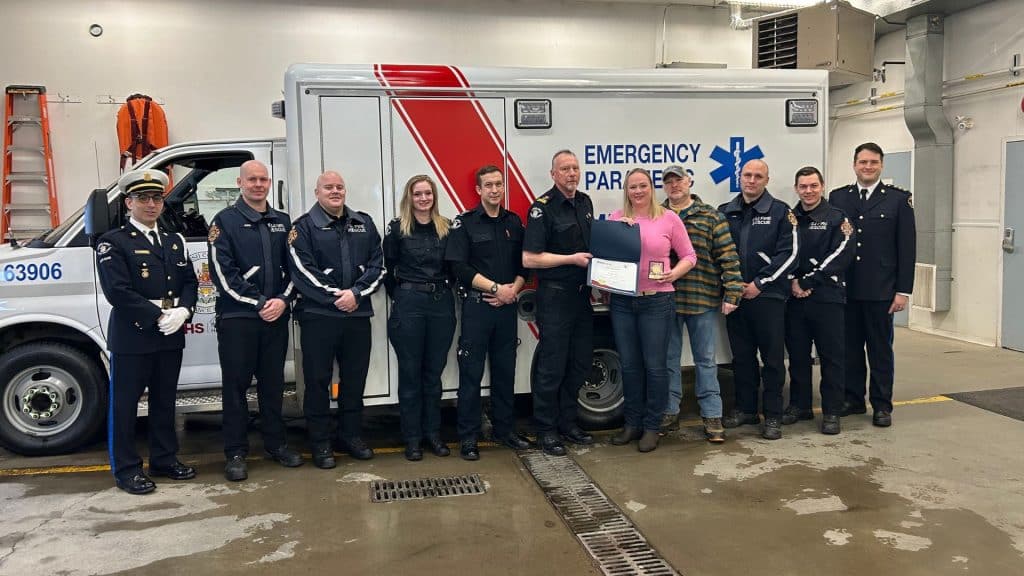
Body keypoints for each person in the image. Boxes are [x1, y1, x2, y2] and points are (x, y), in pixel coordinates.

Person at [95, 169, 198, 495]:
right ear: (129, 202)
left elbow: (190, 282)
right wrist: (157, 316)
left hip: (171, 332)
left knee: (165, 401)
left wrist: (184, 310)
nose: (151, 204)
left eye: (156, 198)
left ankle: (164, 459)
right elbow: (118, 291)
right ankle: (127, 470)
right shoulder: (113, 242)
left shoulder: (173, 241)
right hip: (134, 333)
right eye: (143, 198)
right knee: (125, 405)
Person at [208, 160, 302, 481]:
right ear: (240, 183)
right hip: (238, 319)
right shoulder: (224, 222)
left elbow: (296, 268)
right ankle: (235, 453)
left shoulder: (283, 222)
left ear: (269, 183)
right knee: (236, 388)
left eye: (263, 179)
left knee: (273, 385)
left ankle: (277, 445)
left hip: (275, 316)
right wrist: (260, 303)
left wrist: (283, 301)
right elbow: (223, 274)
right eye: (252, 180)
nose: (258, 184)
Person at [288, 170, 385, 468]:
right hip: (318, 317)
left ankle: (350, 435)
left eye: (339, 187)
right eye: (328, 187)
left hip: (357, 315)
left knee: (354, 380)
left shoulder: (363, 223)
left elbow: (378, 266)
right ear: (316, 192)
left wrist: (356, 294)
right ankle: (320, 443)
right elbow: (302, 272)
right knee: (317, 382)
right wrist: (337, 298)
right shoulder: (302, 228)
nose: (335, 191)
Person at [607, 168, 696, 452]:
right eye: (632, 186)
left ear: (651, 188)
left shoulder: (668, 218)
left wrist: (674, 274)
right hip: (623, 302)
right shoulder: (615, 219)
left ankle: (652, 426)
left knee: (655, 366)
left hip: (657, 301)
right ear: (626, 190)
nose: (638, 191)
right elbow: (604, 259)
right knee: (629, 365)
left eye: (643, 185)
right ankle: (632, 423)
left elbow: (689, 255)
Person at [445, 165, 530, 461]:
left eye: (498, 184)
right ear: (479, 190)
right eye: (489, 185)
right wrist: (496, 289)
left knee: (506, 373)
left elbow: (524, 265)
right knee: (471, 375)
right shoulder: (465, 223)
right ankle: (469, 437)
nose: (495, 190)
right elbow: (459, 267)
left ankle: (505, 431)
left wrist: (512, 290)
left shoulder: (514, 222)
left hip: (507, 308)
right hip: (478, 308)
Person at [829, 143, 916, 427]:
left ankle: (881, 405)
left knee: (880, 351)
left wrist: (903, 291)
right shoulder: (839, 197)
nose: (868, 167)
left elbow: (907, 248)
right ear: (854, 165)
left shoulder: (898, 200)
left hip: (881, 290)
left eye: (873, 162)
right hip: (847, 289)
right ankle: (853, 399)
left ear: (881, 165)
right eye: (863, 162)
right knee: (850, 349)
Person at [659, 165, 743, 443]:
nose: (674, 185)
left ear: (690, 182)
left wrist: (733, 292)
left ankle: (712, 415)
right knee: (668, 360)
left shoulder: (711, 216)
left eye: (679, 180)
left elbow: (728, 256)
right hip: (666, 300)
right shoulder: (656, 215)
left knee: (706, 360)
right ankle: (669, 412)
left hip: (702, 298)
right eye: (669, 182)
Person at [718, 159, 798, 440]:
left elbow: (789, 254)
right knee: (741, 357)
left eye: (758, 176)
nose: (751, 180)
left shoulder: (781, 212)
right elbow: (717, 252)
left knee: (772, 359)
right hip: (736, 297)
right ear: (740, 177)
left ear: (767, 180)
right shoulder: (725, 211)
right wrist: (731, 285)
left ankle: (773, 415)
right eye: (747, 175)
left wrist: (760, 284)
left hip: (768, 297)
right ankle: (746, 409)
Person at [523, 150, 595, 456]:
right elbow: (530, 258)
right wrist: (571, 259)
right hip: (554, 296)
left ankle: (568, 423)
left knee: (579, 363)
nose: (571, 173)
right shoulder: (542, 208)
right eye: (565, 169)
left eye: (575, 168)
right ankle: (546, 429)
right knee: (551, 366)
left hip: (582, 296)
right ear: (553, 174)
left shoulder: (585, 203)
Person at [383, 175, 456, 462]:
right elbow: (388, 270)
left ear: (434, 196)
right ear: (409, 197)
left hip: (441, 305)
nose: (423, 198)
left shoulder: (447, 227)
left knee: (433, 375)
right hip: (409, 304)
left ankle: (433, 435)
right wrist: (405, 295)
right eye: (418, 194)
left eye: (428, 193)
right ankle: (412, 439)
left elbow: (453, 269)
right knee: (410, 374)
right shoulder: (397, 229)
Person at [784, 166, 856, 435]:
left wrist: (807, 282)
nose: (808, 191)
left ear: (822, 186)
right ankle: (800, 405)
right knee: (798, 356)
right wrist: (793, 281)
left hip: (827, 298)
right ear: (796, 189)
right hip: (795, 299)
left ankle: (832, 411)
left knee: (831, 357)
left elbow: (842, 254)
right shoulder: (789, 218)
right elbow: (784, 252)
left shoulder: (837, 217)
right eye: (803, 186)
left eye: (813, 185)